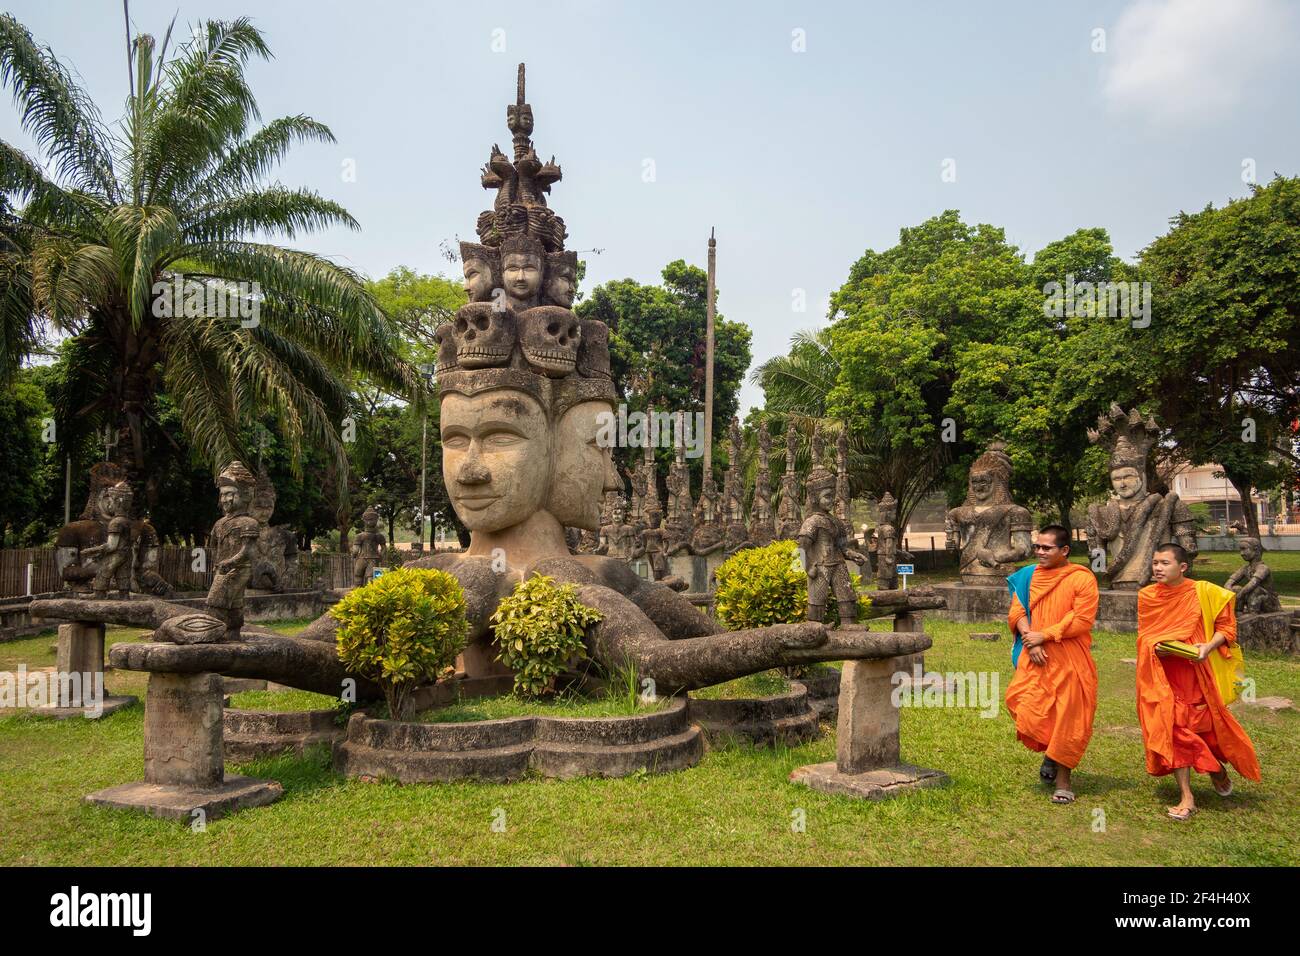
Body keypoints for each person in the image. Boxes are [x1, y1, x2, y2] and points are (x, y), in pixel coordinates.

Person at [1136, 543, 1261, 821]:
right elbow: (1146, 634)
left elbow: (1227, 629)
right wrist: (1157, 648)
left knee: (1201, 728)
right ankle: (1187, 797)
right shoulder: (1147, 596)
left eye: (1164, 563)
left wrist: (1207, 646)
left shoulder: (1205, 593)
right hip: (1162, 673)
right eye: (1155, 562)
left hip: (1196, 674)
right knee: (1172, 728)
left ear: (1182, 567)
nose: (1157, 568)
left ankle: (1215, 767)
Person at [1004, 524, 1099, 803]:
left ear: (1065, 550)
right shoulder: (1028, 576)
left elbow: (1081, 619)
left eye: (1047, 548)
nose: (1040, 552)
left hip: (1069, 657)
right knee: (1026, 707)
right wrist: (1029, 638)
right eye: (1038, 547)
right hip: (1035, 656)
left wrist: (1044, 636)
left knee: (1068, 717)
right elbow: (1018, 609)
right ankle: (1050, 752)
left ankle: (1064, 783)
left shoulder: (1081, 578)